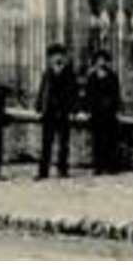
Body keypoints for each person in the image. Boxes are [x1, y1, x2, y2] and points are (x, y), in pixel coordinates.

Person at [35, 44, 78, 180]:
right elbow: (42, 90)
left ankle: (63, 169)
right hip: (49, 112)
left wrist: (74, 109)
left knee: (64, 143)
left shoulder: (69, 72)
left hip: (63, 112)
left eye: (60, 55)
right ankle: (43, 171)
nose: (57, 58)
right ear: (50, 58)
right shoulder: (47, 72)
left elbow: (73, 92)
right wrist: (38, 106)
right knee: (46, 143)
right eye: (54, 55)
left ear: (64, 57)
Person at [83, 49, 124, 174]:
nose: (101, 63)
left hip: (109, 113)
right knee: (97, 141)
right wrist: (88, 110)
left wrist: (116, 108)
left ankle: (111, 166)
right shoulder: (92, 77)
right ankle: (98, 166)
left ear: (107, 62)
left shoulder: (112, 76)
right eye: (99, 60)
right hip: (96, 114)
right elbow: (88, 95)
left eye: (104, 60)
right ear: (95, 62)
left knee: (111, 141)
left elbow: (116, 94)